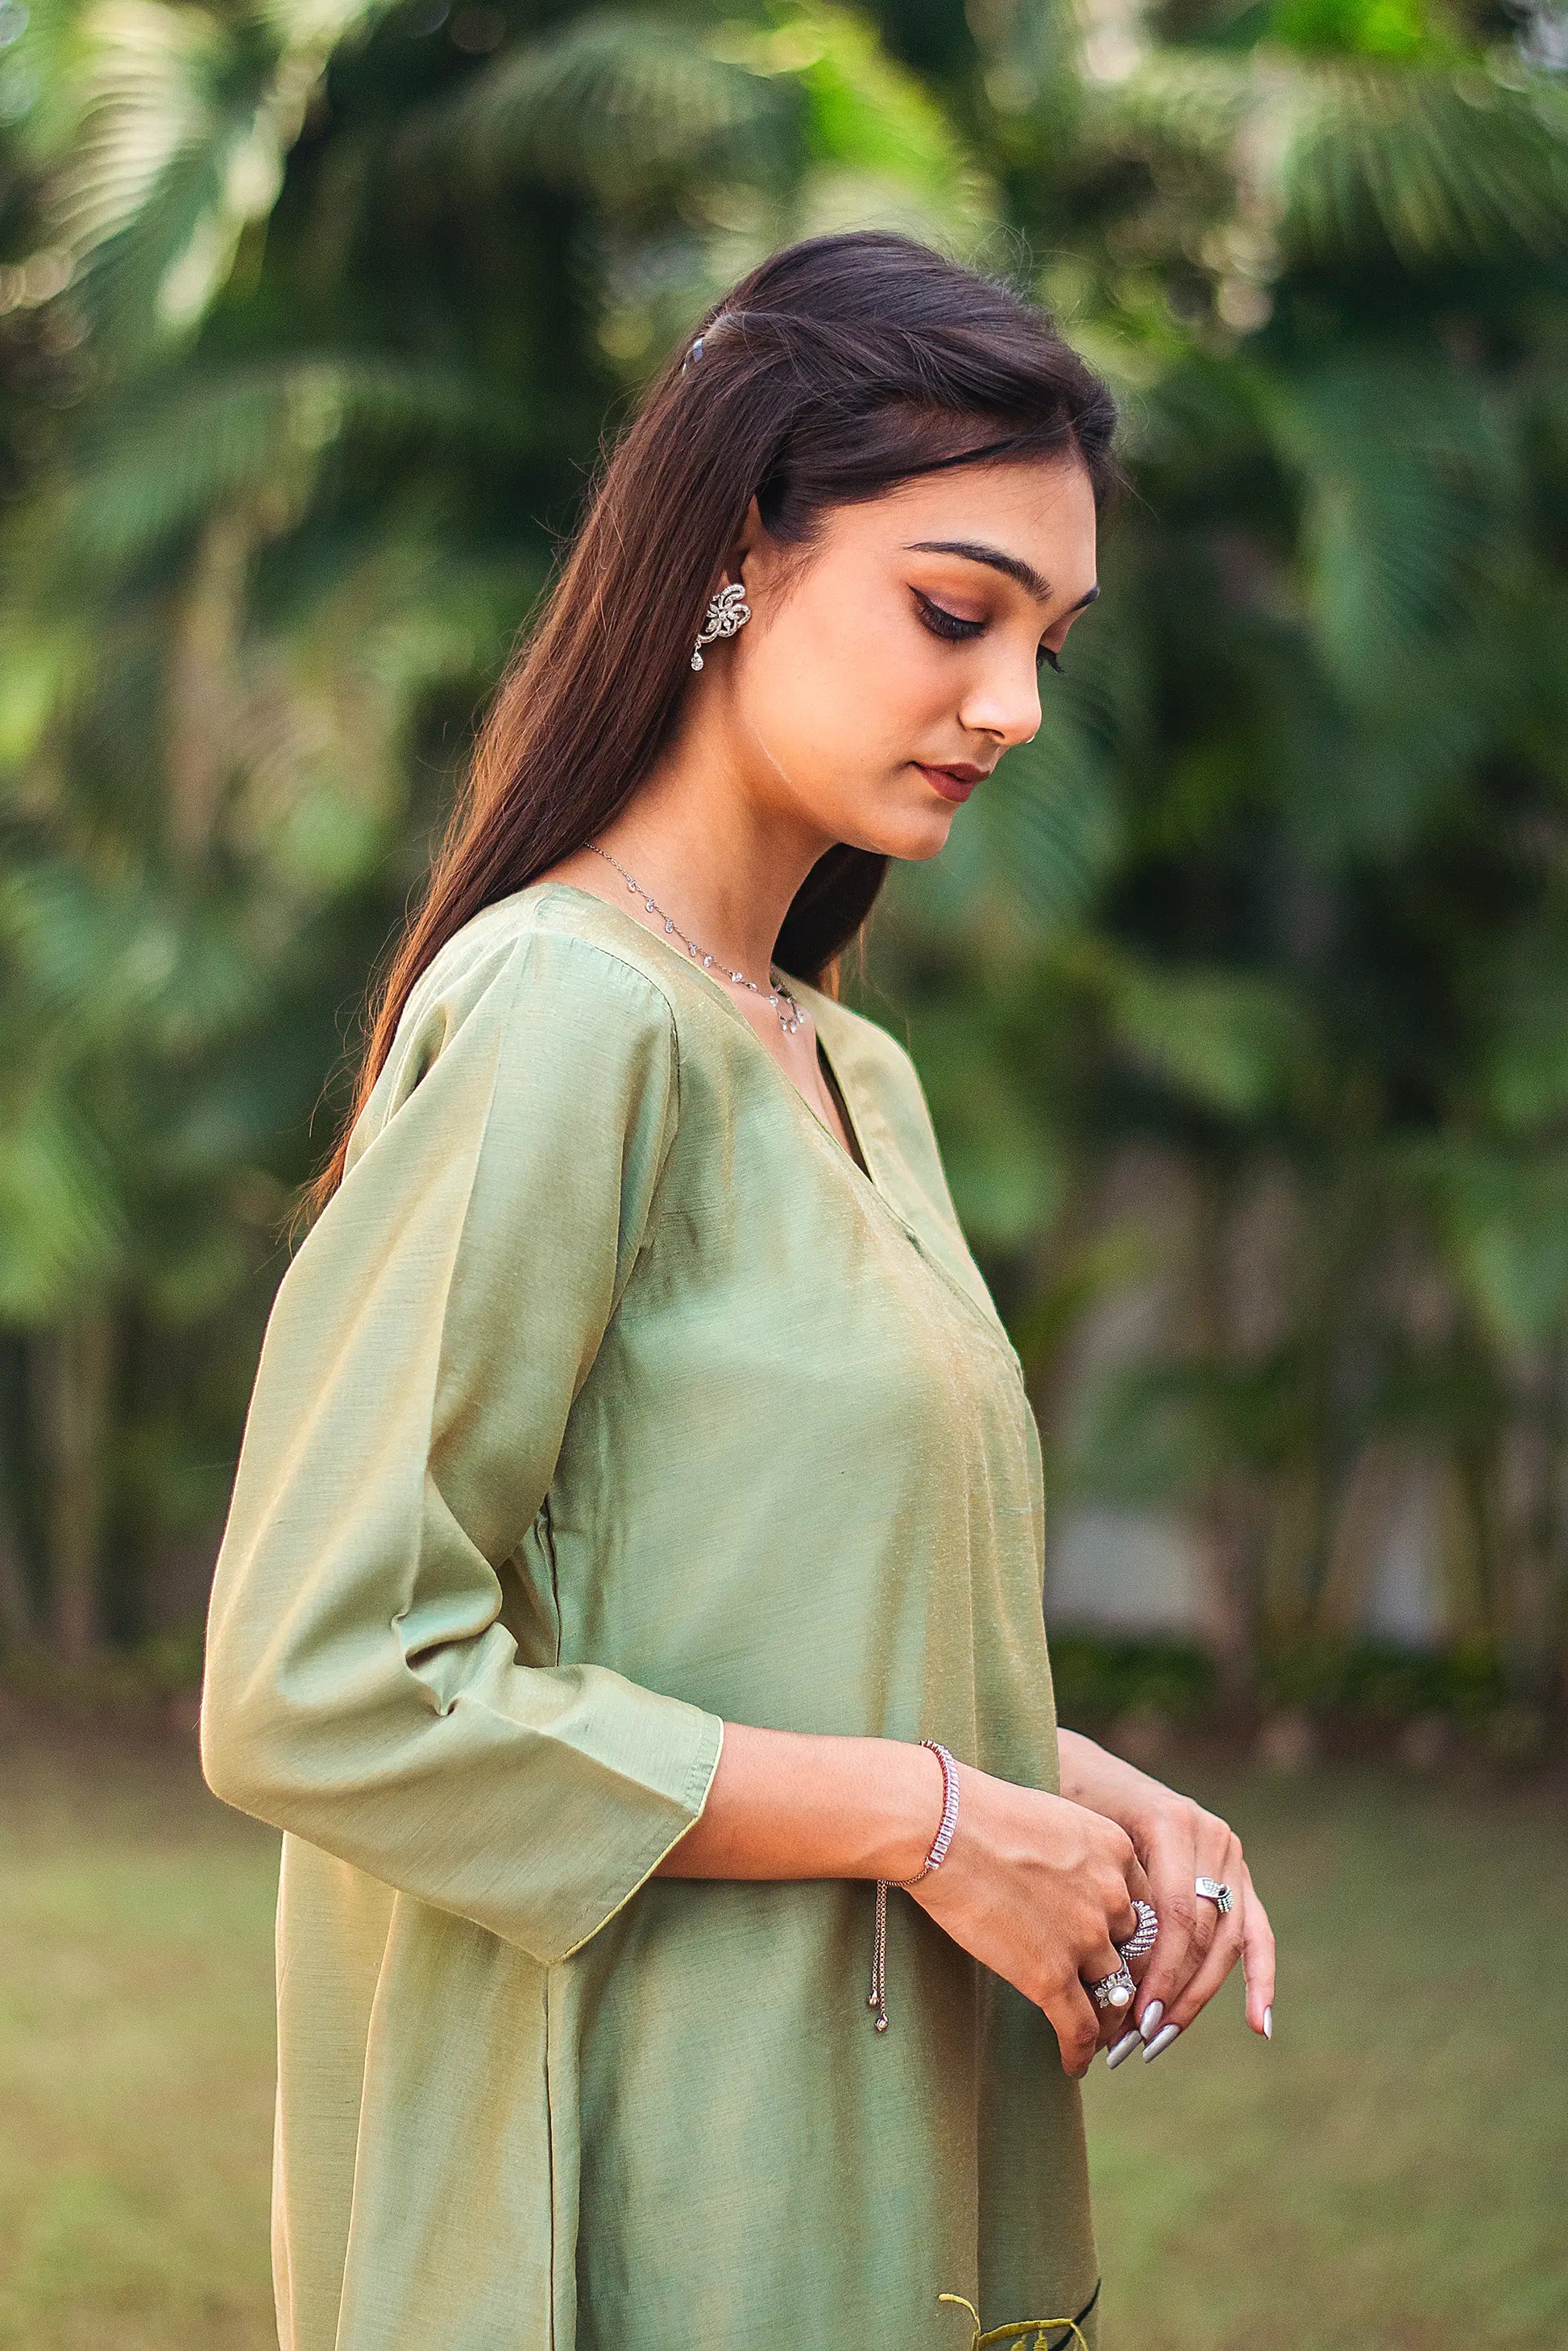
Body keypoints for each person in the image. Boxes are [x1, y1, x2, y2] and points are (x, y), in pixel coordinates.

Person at [200, 228, 1275, 2351]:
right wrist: (935, 1818)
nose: (1012, 705)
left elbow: (726, 1606)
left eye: (1049, 640)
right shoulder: (561, 1018)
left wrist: (1052, 1787)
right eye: (954, 613)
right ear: (731, 552)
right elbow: (324, 1679)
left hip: (843, 2153)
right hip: (626, 2182)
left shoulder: (844, 1063)